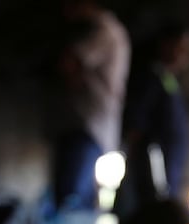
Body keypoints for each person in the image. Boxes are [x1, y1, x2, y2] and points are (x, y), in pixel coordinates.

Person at [49, 0, 130, 213]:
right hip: (89, 126)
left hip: (88, 126)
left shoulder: (104, 31)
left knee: (72, 202)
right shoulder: (108, 30)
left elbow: (70, 62)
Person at [116, 22, 189, 218]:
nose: (185, 55)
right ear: (165, 45)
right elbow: (136, 122)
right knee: (151, 216)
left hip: (169, 168)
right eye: (180, 47)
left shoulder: (169, 80)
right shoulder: (151, 78)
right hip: (153, 168)